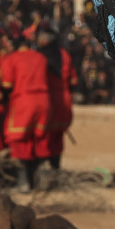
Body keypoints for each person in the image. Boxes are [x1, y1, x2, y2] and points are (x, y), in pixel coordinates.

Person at [0, 23, 51, 192]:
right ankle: (42, 181)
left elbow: (7, 85)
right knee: (39, 139)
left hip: (23, 101)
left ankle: (23, 183)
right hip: (44, 101)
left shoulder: (12, 58)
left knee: (17, 140)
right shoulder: (41, 57)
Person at [37, 23, 76, 171]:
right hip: (64, 101)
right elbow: (73, 81)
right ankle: (55, 168)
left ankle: (41, 170)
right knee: (57, 136)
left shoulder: (39, 56)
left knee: (43, 136)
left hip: (47, 100)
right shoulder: (65, 55)